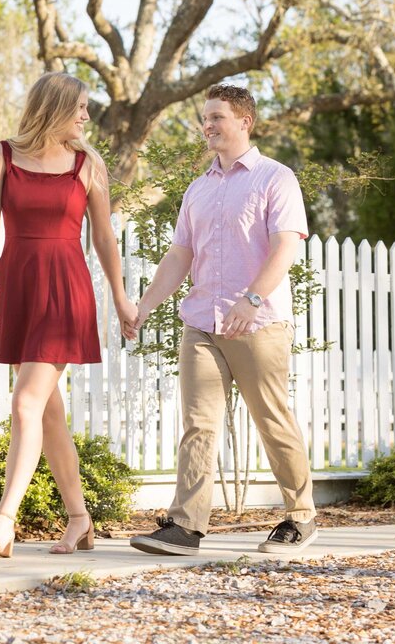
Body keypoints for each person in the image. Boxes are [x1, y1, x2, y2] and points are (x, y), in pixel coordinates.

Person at [126, 83, 318, 556]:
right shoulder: (199, 188)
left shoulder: (275, 178)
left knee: (272, 420)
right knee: (198, 424)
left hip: (259, 323)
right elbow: (180, 254)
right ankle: (186, 525)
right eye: (205, 118)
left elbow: (287, 246)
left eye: (216, 117)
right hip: (202, 323)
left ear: (244, 122)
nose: (207, 125)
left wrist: (251, 299)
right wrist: (144, 305)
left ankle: (301, 515)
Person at [0, 72, 138, 558]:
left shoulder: (88, 165)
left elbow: (103, 237)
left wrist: (122, 297)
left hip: (65, 292)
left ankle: (4, 523)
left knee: (25, 402)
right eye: (81, 107)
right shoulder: (1, 155)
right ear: (54, 107)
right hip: (18, 283)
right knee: (47, 412)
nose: (87, 117)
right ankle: (80, 519)